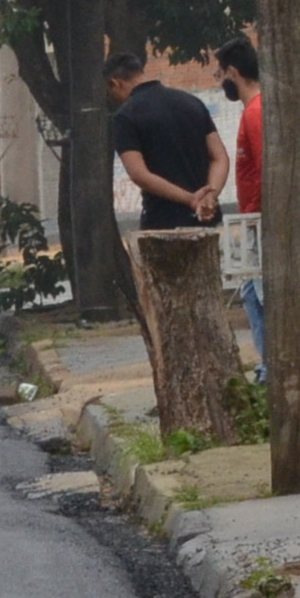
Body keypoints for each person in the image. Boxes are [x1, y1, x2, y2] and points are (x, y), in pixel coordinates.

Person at [105, 50, 227, 230]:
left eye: (110, 91)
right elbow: (220, 157)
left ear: (115, 83)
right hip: (207, 220)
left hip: (163, 221)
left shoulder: (125, 116)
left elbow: (139, 174)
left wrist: (191, 199)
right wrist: (209, 197)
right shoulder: (192, 103)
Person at [215, 35, 266, 358]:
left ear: (233, 72)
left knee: (259, 296)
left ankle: (270, 369)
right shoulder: (257, 109)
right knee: (251, 293)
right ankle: (267, 367)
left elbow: (266, 170)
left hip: (260, 221)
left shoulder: (254, 113)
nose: (221, 82)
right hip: (255, 219)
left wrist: (257, 217)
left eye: (221, 74)